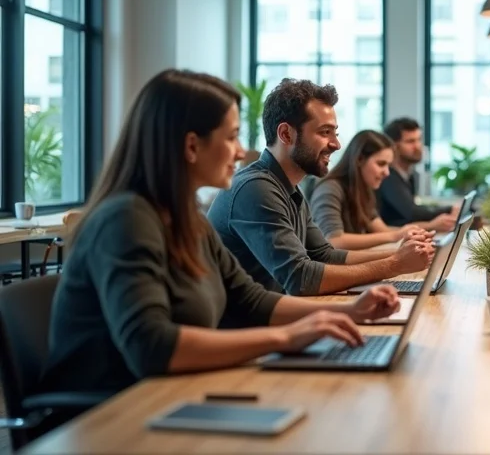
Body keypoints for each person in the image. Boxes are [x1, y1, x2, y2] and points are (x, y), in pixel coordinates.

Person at [40, 70, 400, 396]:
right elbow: (152, 347)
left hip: (173, 391)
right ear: (192, 146)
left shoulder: (187, 219)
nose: (241, 151)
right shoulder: (127, 219)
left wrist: (346, 313)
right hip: (111, 415)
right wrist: (286, 337)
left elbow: (250, 300)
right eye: (230, 137)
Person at [207, 80, 434, 296]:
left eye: (334, 132)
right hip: (243, 331)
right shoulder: (255, 188)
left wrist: (401, 254)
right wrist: (394, 265)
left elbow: (324, 255)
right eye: (325, 132)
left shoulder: (289, 188)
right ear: (286, 134)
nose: (336, 144)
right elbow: (300, 278)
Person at [310, 130, 430, 250]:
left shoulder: (363, 190)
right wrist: (396, 235)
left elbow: (383, 230)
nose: (387, 173)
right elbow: (334, 240)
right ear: (359, 160)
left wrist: (413, 232)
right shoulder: (330, 188)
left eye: (388, 165)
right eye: (381, 164)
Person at [376, 117, 457, 231]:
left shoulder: (410, 175)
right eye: (410, 141)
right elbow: (411, 212)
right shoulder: (387, 175)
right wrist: (449, 210)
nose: (418, 146)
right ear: (393, 146)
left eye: (419, 139)